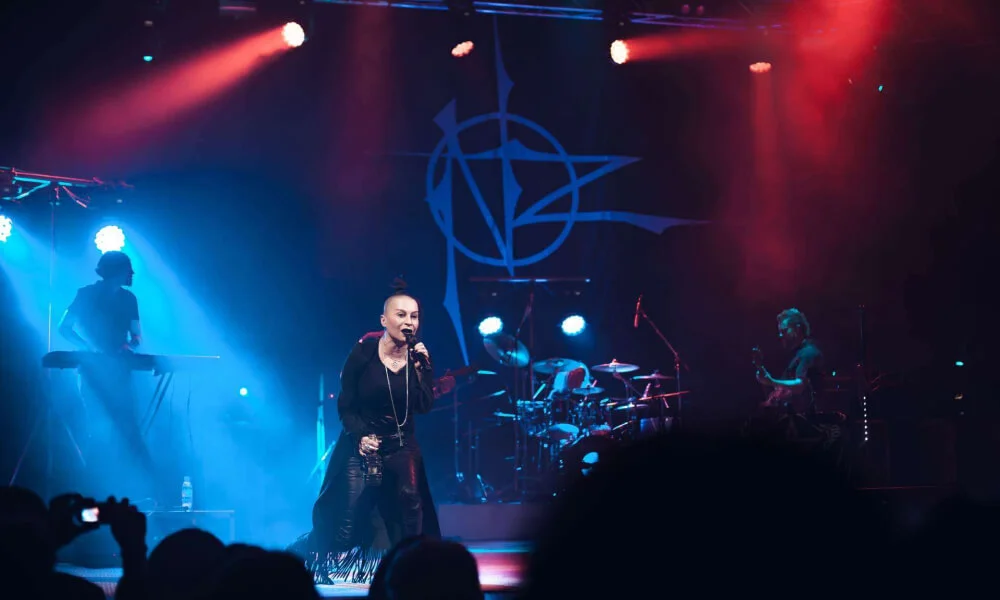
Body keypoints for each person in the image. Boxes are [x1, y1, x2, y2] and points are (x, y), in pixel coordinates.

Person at [299, 282, 441, 583]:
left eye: (414, 316)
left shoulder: (418, 358)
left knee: (411, 502)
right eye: (401, 315)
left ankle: (410, 567)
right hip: (361, 442)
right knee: (346, 518)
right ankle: (309, 553)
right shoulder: (364, 352)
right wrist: (361, 435)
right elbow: (346, 406)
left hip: (401, 443)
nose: (409, 322)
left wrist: (422, 370)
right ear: (384, 320)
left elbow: (424, 405)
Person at [57, 251, 155, 505]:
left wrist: (128, 347)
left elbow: (136, 336)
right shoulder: (85, 294)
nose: (131, 274)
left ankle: (133, 489)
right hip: (92, 371)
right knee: (97, 426)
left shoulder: (129, 298)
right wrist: (89, 348)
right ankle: (91, 490)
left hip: (119, 371)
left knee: (128, 426)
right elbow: (64, 327)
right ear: (116, 271)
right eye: (128, 269)